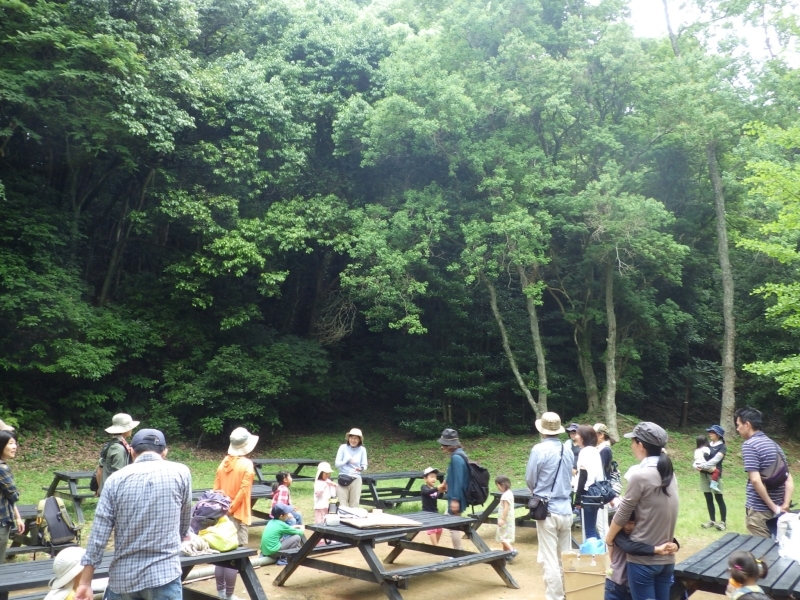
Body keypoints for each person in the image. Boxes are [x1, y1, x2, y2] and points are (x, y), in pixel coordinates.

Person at [75, 429, 192, 600]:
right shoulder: (181, 472)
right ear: (165, 451)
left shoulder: (115, 480)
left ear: (131, 451)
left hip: (123, 579)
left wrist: (85, 583)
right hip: (164, 574)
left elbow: (98, 536)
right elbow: (185, 521)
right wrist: (182, 535)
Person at [606, 422, 678, 600]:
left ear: (641, 445)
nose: (631, 446)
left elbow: (622, 514)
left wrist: (609, 538)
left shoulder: (640, 475)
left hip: (642, 560)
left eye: (633, 441)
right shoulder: (669, 474)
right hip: (667, 557)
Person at [525, 412, 574, 600]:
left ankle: (556, 597)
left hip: (546, 510)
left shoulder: (538, 450)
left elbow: (531, 479)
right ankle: (569, 591)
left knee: (549, 558)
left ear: (542, 430)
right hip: (566, 509)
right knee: (565, 556)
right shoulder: (567, 450)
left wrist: (537, 490)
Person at [212, 427, 258, 600]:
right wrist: (231, 508)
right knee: (234, 557)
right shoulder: (247, 465)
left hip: (219, 513)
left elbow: (215, 489)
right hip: (237, 514)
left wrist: (220, 509)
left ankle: (220, 593)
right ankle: (229, 595)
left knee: (221, 553)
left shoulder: (223, 462)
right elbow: (243, 491)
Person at [736, 406, 794, 538]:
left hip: (760, 512)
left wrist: (773, 507)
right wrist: (784, 505)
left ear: (747, 425)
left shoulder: (750, 445)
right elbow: (788, 479)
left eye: (738, 424)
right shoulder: (774, 444)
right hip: (781, 511)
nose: (737, 428)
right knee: (779, 552)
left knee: (761, 554)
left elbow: (755, 480)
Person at [605, 512, 679, 600]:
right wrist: (656, 550)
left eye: (632, 523)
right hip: (615, 586)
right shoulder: (618, 534)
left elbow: (666, 538)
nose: (627, 526)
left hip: (635, 588)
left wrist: (675, 546)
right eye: (625, 522)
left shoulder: (643, 534)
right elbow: (629, 547)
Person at [438, 428, 470, 551]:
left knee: (453, 525)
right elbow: (452, 474)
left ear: (450, 445)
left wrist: (455, 500)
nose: (441, 447)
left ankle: (458, 552)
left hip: (456, 496)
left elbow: (458, 480)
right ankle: (458, 551)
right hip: (455, 495)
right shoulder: (458, 454)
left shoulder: (456, 458)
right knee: (452, 524)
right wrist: (445, 482)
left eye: (444, 444)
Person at [574, 425, 605, 541]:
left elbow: (583, 475)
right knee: (592, 528)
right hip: (595, 493)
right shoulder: (594, 451)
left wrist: (577, 498)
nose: (575, 436)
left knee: (589, 530)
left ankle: (595, 556)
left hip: (587, 493)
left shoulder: (585, 452)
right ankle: (600, 553)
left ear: (583, 437)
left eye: (577, 434)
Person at [696, 425, 728, 531]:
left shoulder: (722, 447)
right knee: (708, 498)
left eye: (712, 432)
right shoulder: (707, 445)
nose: (710, 433)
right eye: (709, 431)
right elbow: (699, 457)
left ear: (718, 435)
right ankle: (712, 520)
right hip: (704, 474)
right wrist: (697, 465)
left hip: (715, 476)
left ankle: (723, 522)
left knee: (719, 498)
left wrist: (703, 466)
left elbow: (716, 460)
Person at [98, 413, 138, 494]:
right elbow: (118, 475)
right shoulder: (118, 448)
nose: (131, 429)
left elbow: (100, 469)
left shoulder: (113, 444)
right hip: (115, 493)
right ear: (125, 430)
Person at [0, 430, 24, 564]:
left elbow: (8, 497)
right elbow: (14, 495)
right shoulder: (2, 469)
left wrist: (18, 518)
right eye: (10, 443)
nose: (15, 447)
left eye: (15, 443)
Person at [335, 428, 367, 508]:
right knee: (342, 505)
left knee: (354, 505)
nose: (353, 440)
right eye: (351, 438)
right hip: (343, 477)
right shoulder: (343, 447)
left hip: (356, 478)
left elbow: (364, 465)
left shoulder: (362, 450)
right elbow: (337, 464)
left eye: (355, 438)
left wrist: (361, 468)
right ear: (348, 438)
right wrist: (346, 460)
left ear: (359, 440)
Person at [495, 475, 518, 562]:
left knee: (502, 537)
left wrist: (502, 519)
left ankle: (512, 551)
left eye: (497, 485)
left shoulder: (505, 496)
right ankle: (505, 555)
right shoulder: (509, 493)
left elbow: (506, 508)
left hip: (505, 519)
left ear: (502, 485)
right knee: (505, 536)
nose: (497, 488)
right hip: (509, 519)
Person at [420, 467, 443, 546]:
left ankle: (434, 545)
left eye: (435, 477)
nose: (434, 479)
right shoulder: (424, 487)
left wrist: (441, 491)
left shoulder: (434, 488)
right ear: (425, 479)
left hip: (435, 511)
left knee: (439, 529)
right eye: (431, 477)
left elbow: (438, 496)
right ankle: (436, 547)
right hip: (426, 512)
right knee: (432, 529)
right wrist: (437, 488)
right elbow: (427, 492)